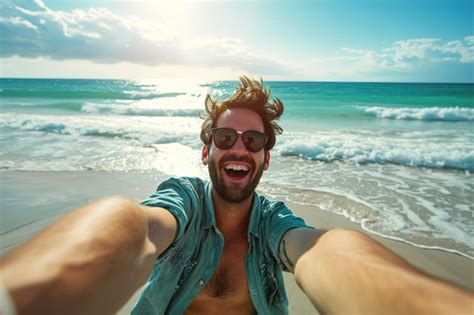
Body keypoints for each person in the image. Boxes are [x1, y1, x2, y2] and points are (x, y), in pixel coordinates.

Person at [0, 77, 472, 315]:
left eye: (254, 140)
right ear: (206, 150)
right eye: (226, 138)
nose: (239, 147)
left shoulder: (273, 224)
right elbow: (137, 227)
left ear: (266, 158)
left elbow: (321, 251)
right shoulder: (182, 199)